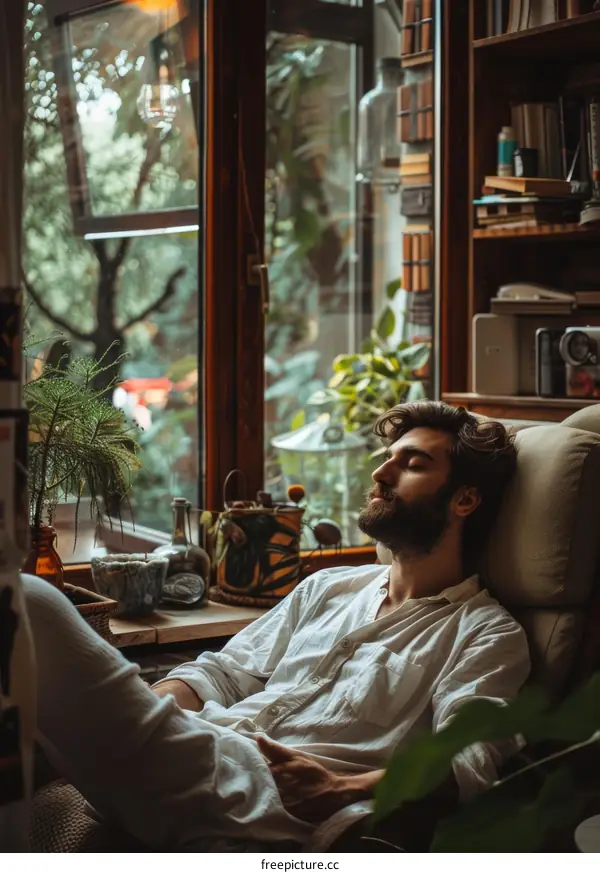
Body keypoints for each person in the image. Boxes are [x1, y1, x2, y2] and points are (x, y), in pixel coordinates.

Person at [23, 401, 530, 851]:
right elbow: (222, 674)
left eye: (413, 463)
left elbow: (469, 759)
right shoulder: (327, 586)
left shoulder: (485, 634)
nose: (381, 472)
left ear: (465, 500)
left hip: (265, 798)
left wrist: (344, 789)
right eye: (387, 457)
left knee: (31, 602)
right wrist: (152, 708)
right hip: (203, 750)